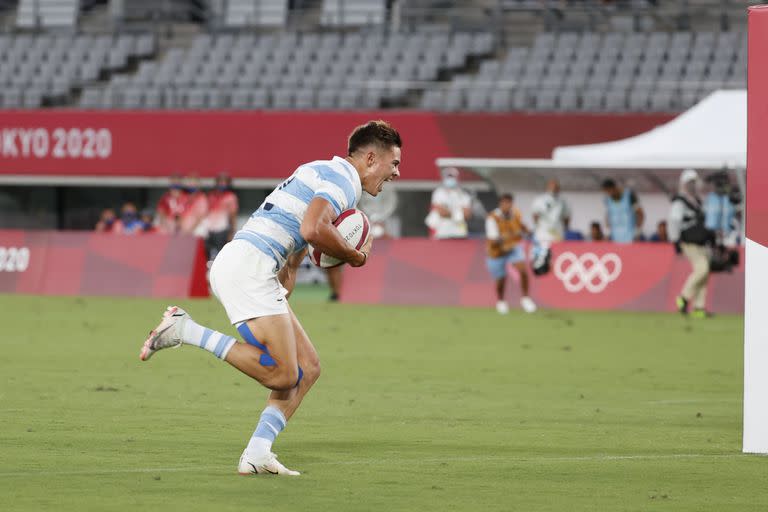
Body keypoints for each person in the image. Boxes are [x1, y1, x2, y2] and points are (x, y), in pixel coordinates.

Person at [139, 120, 402, 476]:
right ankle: (185, 330)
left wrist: (289, 269)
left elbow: (300, 231)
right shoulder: (343, 182)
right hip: (249, 267)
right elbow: (312, 228)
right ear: (372, 158)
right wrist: (356, 256)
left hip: (253, 264)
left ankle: (258, 452)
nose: (396, 173)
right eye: (394, 164)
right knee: (282, 374)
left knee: (308, 368)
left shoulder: (322, 170)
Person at [668, 169, 713, 318]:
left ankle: (699, 307)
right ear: (684, 183)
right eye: (690, 182)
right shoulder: (680, 201)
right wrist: (675, 241)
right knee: (702, 269)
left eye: (694, 182)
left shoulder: (698, 201)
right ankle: (684, 297)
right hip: (689, 242)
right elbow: (674, 222)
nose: (692, 185)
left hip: (701, 242)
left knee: (704, 274)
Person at [485, 193, 536, 315]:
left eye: (509, 203)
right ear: (500, 204)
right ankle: (501, 301)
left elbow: (522, 226)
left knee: (523, 270)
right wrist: (505, 237)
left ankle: (525, 299)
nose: (507, 205)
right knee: (501, 279)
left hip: (513, 248)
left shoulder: (516, 214)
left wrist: (526, 231)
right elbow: (493, 240)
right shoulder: (492, 218)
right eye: (504, 203)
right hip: (497, 251)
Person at [425, 167, 472, 239]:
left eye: (452, 177)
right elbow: (441, 212)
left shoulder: (464, 194)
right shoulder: (438, 193)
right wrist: (458, 213)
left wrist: (448, 212)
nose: (450, 179)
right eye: (448, 177)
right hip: (442, 233)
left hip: (460, 233)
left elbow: (467, 214)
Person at [205, 173, 239, 261]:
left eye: (224, 182)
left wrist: (231, 232)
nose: (222, 184)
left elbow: (233, 215)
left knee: (221, 255)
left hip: (222, 231)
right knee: (207, 254)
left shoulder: (231, 197)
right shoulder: (211, 195)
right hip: (209, 230)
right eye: (220, 182)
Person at [600, 179, 644, 243]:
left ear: (613, 188)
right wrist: (607, 231)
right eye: (605, 192)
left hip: (630, 236)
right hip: (615, 237)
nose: (607, 194)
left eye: (608, 191)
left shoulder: (629, 196)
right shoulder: (607, 199)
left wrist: (637, 230)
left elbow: (640, 213)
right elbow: (608, 214)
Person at [531, 178, 571, 245]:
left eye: (556, 187)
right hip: (543, 232)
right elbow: (535, 215)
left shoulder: (563, 202)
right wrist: (538, 226)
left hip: (557, 232)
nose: (553, 189)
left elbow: (567, 217)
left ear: (559, 188)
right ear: (547, 187)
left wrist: (565, 229)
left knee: (557, 251)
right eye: (551, 186)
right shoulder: (539, 200)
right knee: (543, 252)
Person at [704, 171, 737, 246]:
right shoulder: (709, 198)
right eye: (717, 184)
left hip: (728, 236)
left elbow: (732, 218)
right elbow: (706, 218)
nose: (719, 187)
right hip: (711, 236)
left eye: (721, 184)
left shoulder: (729, 198)